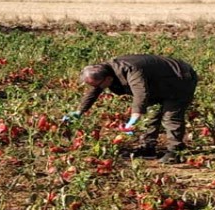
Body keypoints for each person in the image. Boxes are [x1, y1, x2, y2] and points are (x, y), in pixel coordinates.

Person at [64, 55, 199, 163]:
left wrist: (134, 117)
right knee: (152, 114)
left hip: (180, 78)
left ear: (108, 79)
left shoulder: (131, 70)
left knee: (170, 116)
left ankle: (175, 151)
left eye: (98, 85)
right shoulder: (104, 71)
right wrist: (80, 111)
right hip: (159, 82)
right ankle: (148, 147)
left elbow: (141, 93)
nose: (97, 88)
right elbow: (95, 90)